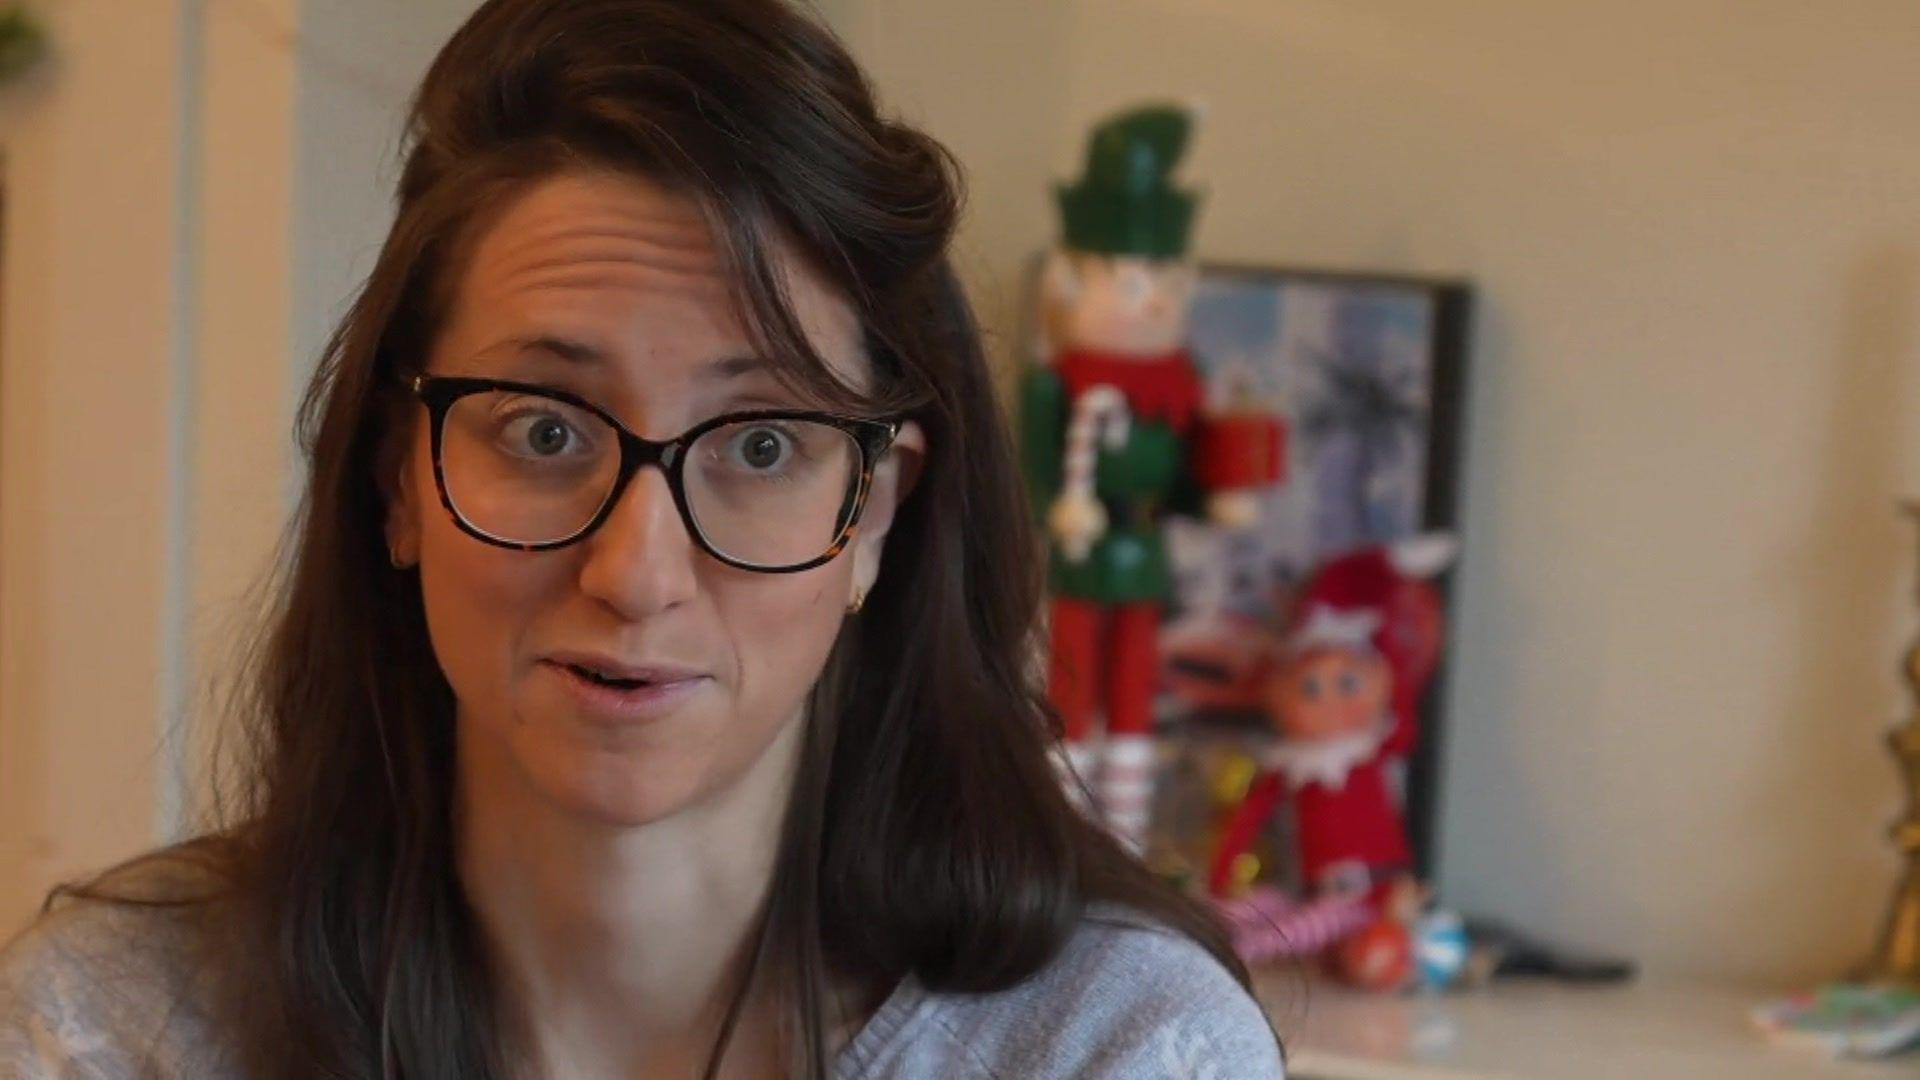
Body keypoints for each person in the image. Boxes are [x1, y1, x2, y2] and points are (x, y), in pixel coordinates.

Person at [0, 1, 1288, 1076]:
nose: (634, 574)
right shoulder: (112, 1033)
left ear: (875, 516)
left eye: (762, 445)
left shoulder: (1121, 1052)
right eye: (545, 431)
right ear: (398, 478)